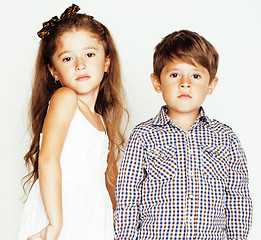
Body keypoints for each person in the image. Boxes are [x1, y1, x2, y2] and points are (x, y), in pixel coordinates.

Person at [114, 30, 252, 239]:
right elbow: (127, 196)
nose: (185, 83)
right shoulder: (143, 136)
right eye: (175, 74)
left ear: (211, 85)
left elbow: (237, 198)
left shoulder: (226, 138)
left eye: (196, 76)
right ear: (157, 82)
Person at [19, 4, 128, 240]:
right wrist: (55, 223)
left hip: (92, 216)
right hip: (61, 209)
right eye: (68, 58)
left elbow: (107, 182)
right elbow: (48, 159)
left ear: (107, 62)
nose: (80, 64)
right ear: (53, 71)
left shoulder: (100, 121)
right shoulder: (65, 98)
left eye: (89, 54)